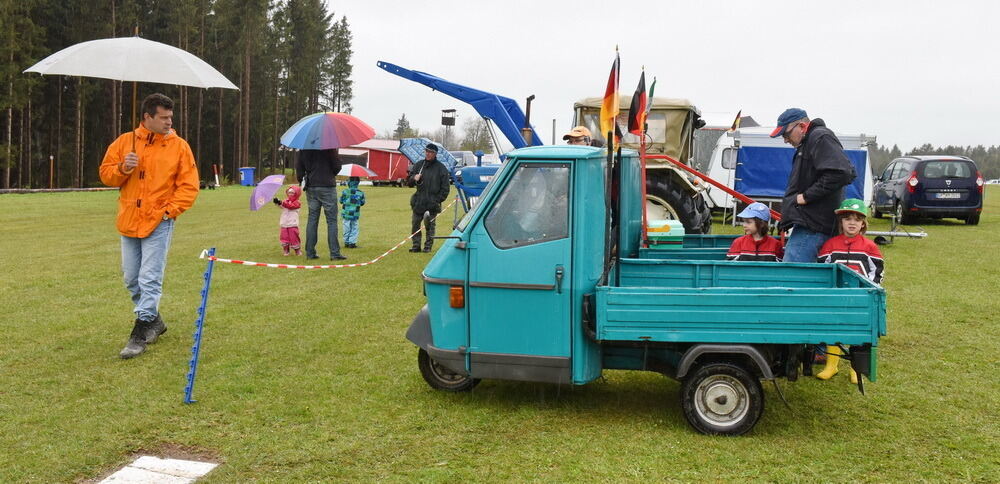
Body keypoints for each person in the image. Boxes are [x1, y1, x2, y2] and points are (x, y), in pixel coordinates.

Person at [99, 93, 199, 359]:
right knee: (132, 279)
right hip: (129, 219)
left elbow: (189, 185)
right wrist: (123, 167)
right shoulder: (124, 142)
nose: (169, 122)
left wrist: (169, 211)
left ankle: (140, 331)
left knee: (149, 278)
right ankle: (155, 321)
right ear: (147, 117)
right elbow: (106, 175)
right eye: (163, 117)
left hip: (159, 221)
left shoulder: (179, 147)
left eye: (170, 118)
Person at [770, 108, 857, 262]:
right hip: (810, 224)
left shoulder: (819, 137)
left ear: (802, 126)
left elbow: (842, 172)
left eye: (786, 134)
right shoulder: (810, 141)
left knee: (791, 275)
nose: (785, 140)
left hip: (813, 226)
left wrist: (806, 197)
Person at [815, 198, 885, 382]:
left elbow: (876, 270)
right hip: (836, 296)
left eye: (857, 219)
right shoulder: (830, 244)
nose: (852, 223)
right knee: (833, 328)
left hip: (860, 298)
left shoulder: (870, 247)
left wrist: (870, 290)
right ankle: (831, 366)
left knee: (857, 331)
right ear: (841, 222)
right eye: (848, 219)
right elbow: (823, 268)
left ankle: (856, 369)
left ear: (863, 224)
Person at [296, 149, 346, 260]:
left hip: (311, 186)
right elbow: (337, 166)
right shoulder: (330, 146)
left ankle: (310, 253)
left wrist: (302, 179)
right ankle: (334, 253)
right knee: (332, 221)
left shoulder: (304, 148)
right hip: (327, 186)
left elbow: (299, 169)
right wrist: (329, 174)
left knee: (312, 220)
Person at [407, 143, 451, 253]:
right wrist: (413, 178)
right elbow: (409, 183)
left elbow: (445, 189)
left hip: (432, 203)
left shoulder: (441, 168)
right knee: (415, 224)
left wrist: (436, 200)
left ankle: (428, 246)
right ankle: (416, 246)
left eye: (430, 152)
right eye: (426, 151)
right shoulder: (418, 165)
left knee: (430, 226)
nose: (428, 153)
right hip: (419, 201)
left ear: (435, 154)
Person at [272, 185, 302, 256]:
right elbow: (283, 206)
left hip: (292, 223)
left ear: (296, 193)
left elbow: (291, 206)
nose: (290, 194)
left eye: (292, 193)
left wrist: (281, 202)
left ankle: (297, 250)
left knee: (294, 237)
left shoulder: (297, 202)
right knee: (284, 237)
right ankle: (286, 250)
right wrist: (277, 202)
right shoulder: (286, 201)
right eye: (289, 193)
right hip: (284, 223)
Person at [339, 176, 366, 248]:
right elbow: (363, 203)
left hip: (346, 213)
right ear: (358, 183)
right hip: (355, 213)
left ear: (349, 182)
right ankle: (352, 242)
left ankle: (346, 242)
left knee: (346, 227)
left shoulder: (345, 192)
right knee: (354, 227)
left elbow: (341, 201)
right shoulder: (360, 193)